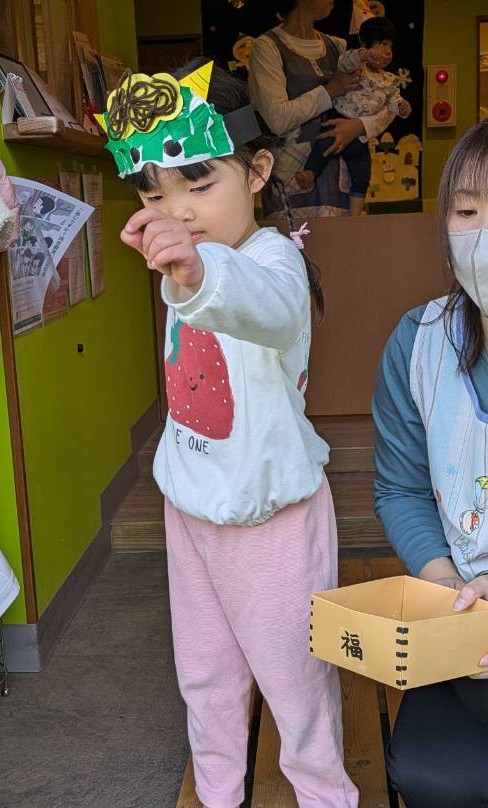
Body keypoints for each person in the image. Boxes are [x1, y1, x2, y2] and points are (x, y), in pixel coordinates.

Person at [98, 63, 359, 808]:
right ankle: (216, 793)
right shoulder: (190, 263)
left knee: (296, 684)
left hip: (272, 525)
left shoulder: (271, 260)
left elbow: (269, 308)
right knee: (205, 677)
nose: (177, 212)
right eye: (154, 194)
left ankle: (325, 796)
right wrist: (189, 269)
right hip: (192, 512)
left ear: (258, 172)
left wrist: (197, 271)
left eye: (199, 183)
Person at [372, 118, 488, 808]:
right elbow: (402, 489)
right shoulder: (418, 343)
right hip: (467, 625)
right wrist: (449, 591)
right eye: (469, 211)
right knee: (427, 774)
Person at [248, 0, 396, 218]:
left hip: (340, 184)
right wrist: (330, 90)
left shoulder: (337, 47)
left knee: (343, 237)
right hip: (291, 184)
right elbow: (277, 118)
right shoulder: (267, 48)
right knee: (295, 238)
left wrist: (359, 126)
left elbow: (383, 97)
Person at [295, 17, 411, 215]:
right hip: (339, 117)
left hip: (360, 133)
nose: (388, 52)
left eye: (390, 47)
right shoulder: (357, 65)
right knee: (324, 145)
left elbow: (393, 99)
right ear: (365, 44)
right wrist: (362, 55)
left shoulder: (388, 79)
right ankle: (310, 173)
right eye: (383, 44)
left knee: (363, 172)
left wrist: (401, 106)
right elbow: (345, 63)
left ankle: (355, 214)